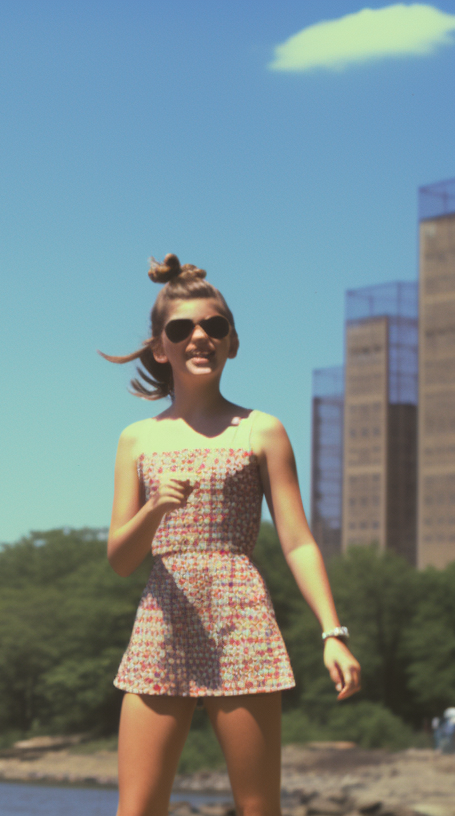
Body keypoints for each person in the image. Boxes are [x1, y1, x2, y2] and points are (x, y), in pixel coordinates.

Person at [103, 255, 363, 816]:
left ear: (233, 343)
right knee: (137, 810)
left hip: (241, 618)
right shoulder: (136, 440)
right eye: (182, 329)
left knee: (258, 808)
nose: (200, 337)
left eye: (214, 327)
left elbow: (296, 540)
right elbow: (120, 560)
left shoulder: (262, 429)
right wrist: (154, 510)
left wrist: (332, 632)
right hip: (161, 618)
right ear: (159, 348)